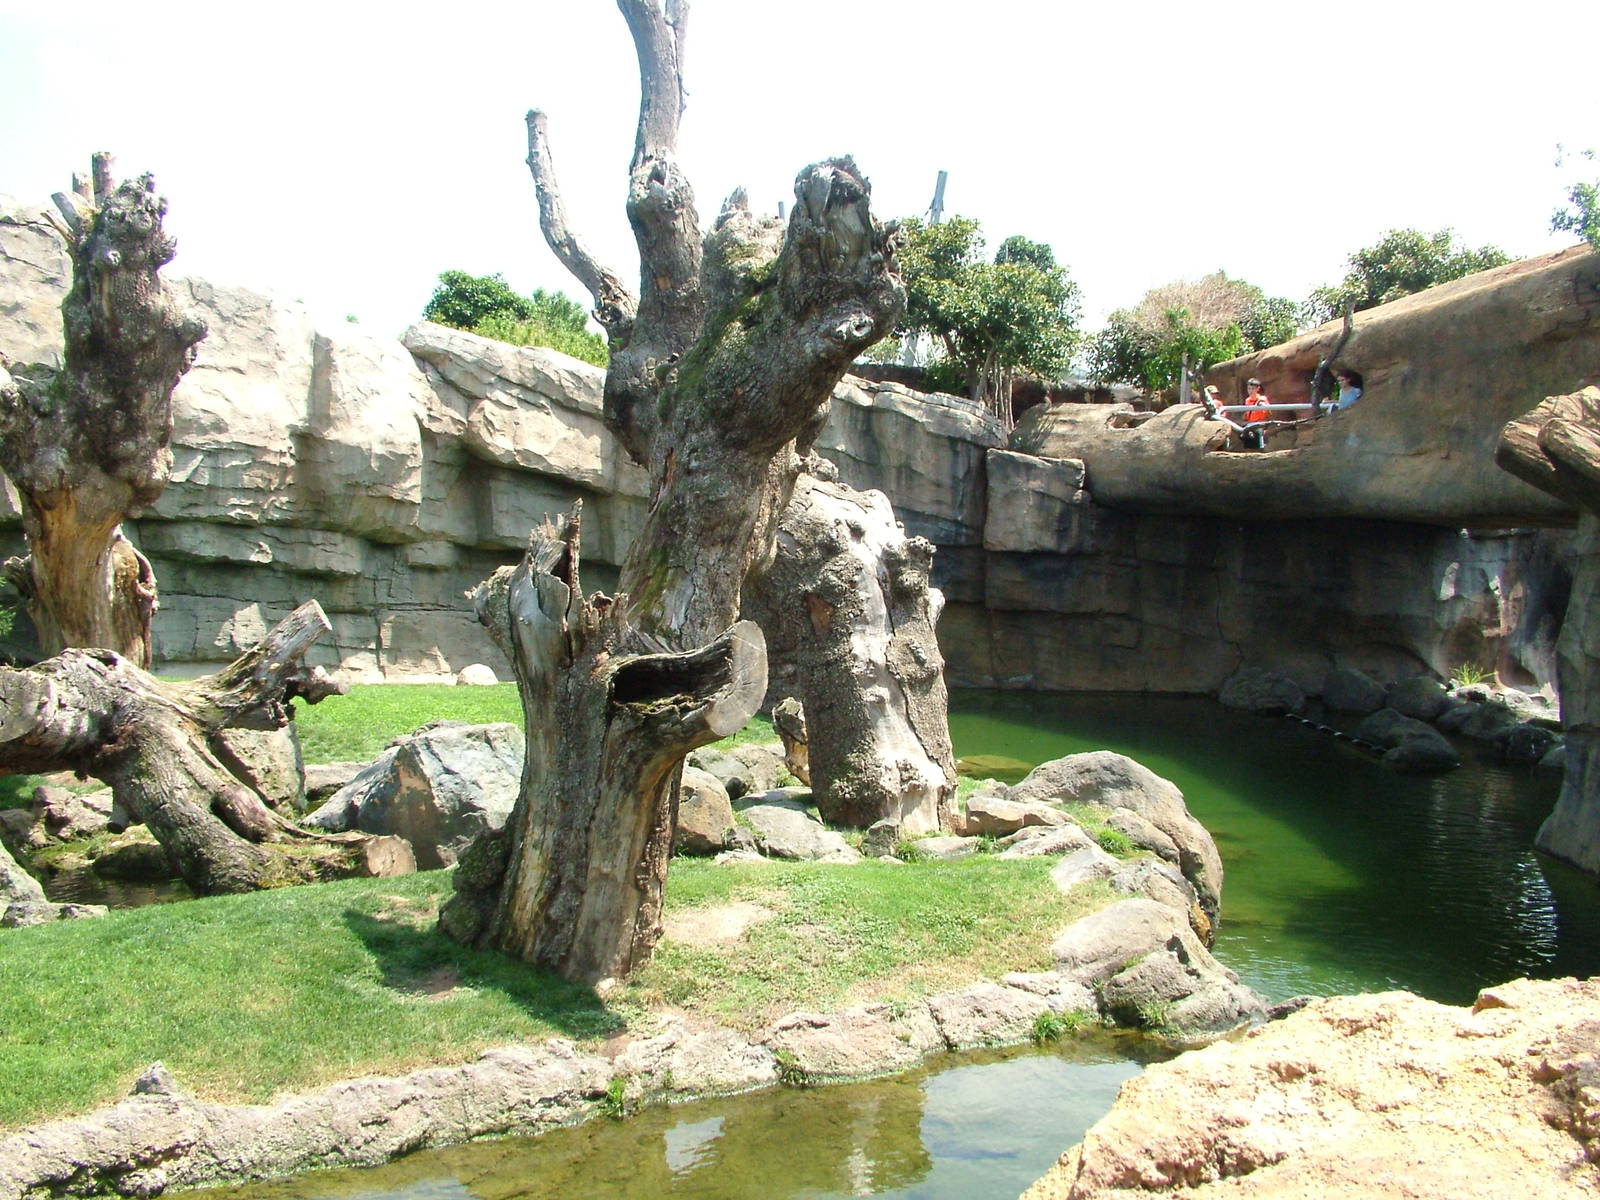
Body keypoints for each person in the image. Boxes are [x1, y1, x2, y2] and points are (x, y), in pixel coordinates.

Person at [1241, 378, 1270, 448]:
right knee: (1248, 444)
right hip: (1250, 425)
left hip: (1259, 425)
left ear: (1258, 389)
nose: (1250, 391)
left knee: (1260, 445)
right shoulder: (1247, 400)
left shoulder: (1262, 399)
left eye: (1253, 389)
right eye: (1249, 389)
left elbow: (1268, 411)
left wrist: (1262, 406)